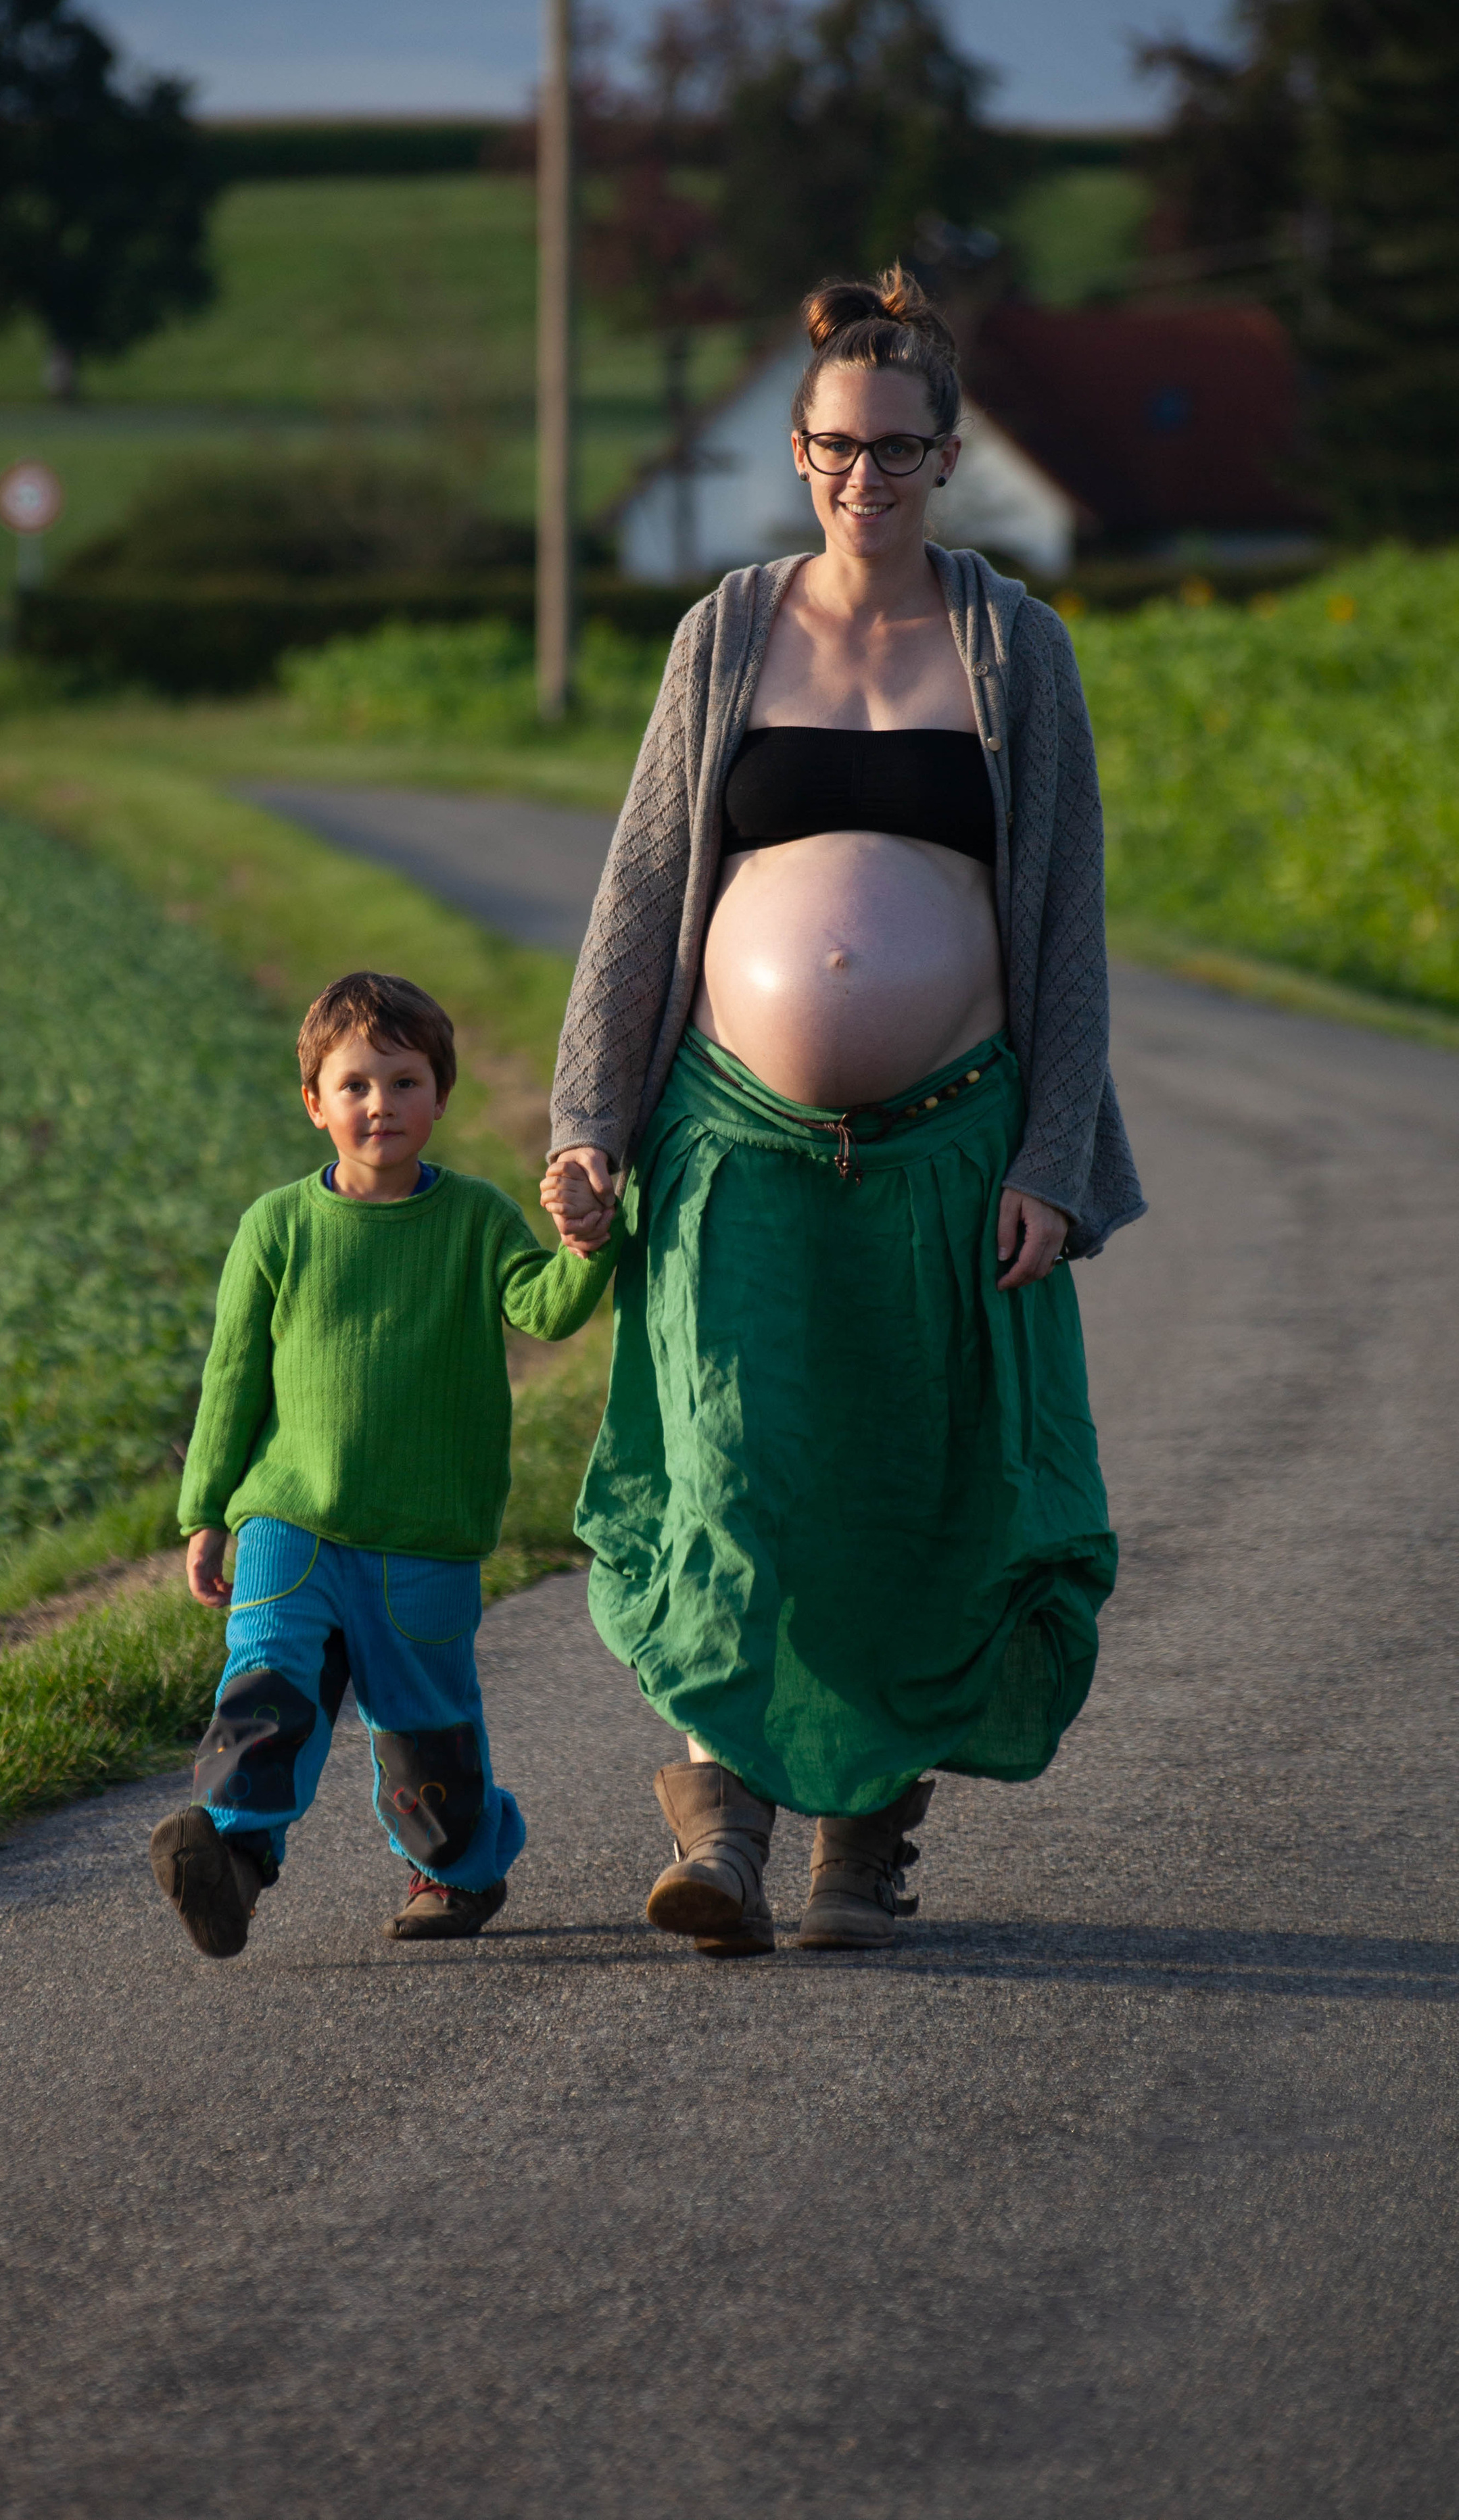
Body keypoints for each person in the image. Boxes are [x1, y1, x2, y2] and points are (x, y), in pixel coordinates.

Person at [542, 266, 1145, 1958]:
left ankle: (861, 1841)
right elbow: (644, 884)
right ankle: (721, 1823)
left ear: (946, 455)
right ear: (796, 449)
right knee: (729, 1473)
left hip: (950, 1145)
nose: (860, 476)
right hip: (731, 1137)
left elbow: (1065, 923)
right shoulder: (725, 630)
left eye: (894, 450)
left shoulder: (1011, 644)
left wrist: (1053, 1161)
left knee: (907, 1486)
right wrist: (588, 1119)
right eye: (832, 448)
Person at [150, 970, 621, 1958]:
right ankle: (231, 1859)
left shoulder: (477, 1220)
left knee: (424, 1726)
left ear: (441, 1097)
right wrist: (208, 1513)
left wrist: (587, 1243)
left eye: (405, 1083)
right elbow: (232, 1378)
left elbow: (549, 1310)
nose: (382, 1105)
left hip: (425, 1533)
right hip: (291, 1519)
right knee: (266, 1683)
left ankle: (457, 1872)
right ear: (315, 1103)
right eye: (357, 1084)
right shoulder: (277, 1227)